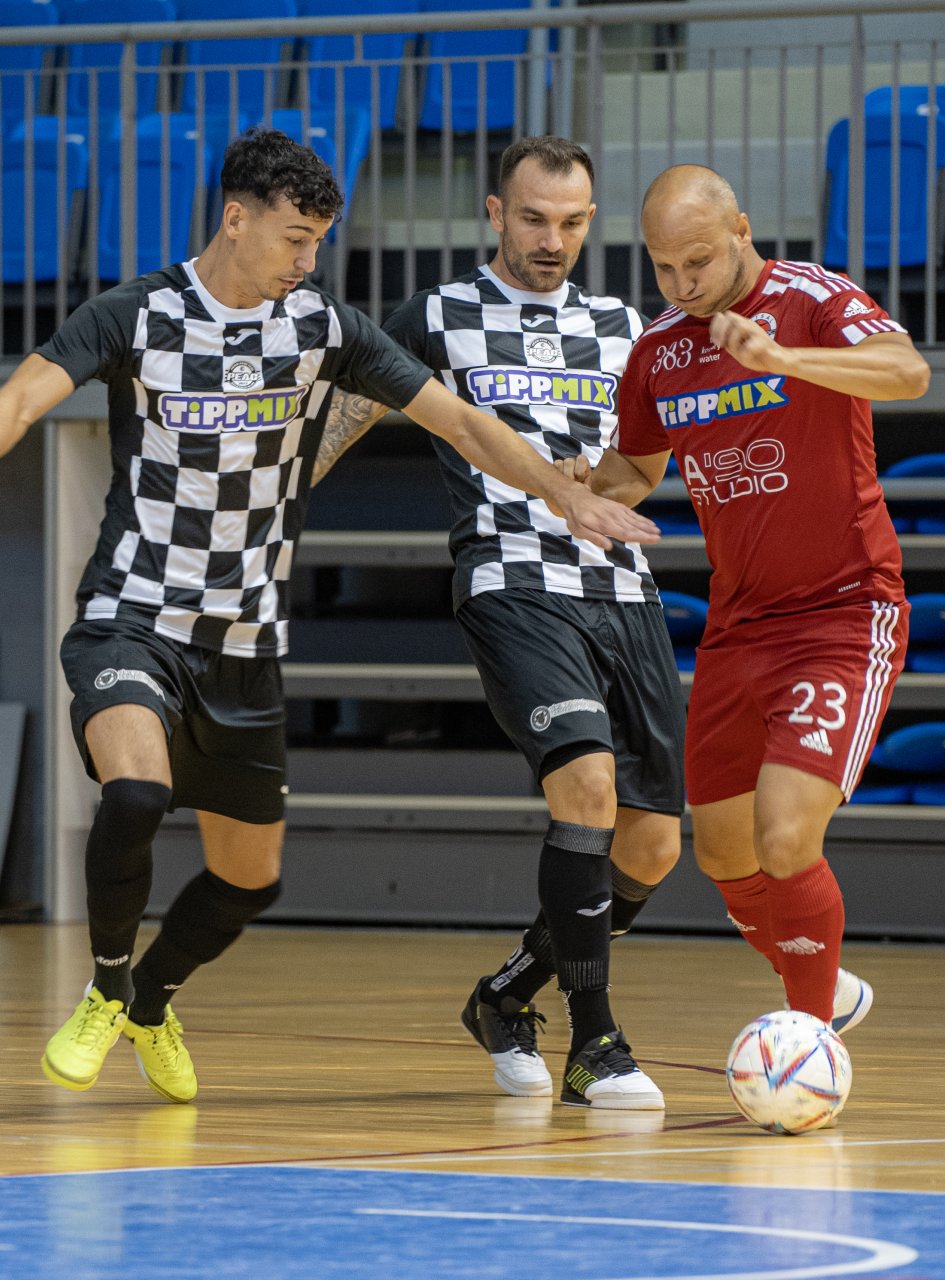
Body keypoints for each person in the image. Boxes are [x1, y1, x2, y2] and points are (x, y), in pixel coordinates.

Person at [0, 128, 657, 1106]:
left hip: (246, 646)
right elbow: (23, 393)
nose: (307, 263)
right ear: (237, 216)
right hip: (133, 614)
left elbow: (464, 422)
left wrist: (568, 498)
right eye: (295, 240)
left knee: (250, 878)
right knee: (135, 791)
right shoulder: (138, 314)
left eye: (318, 245)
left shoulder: (326, 330)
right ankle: (104, 986)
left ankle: (150, 997)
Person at [314, 137, 684, 1110]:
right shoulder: (437, 314)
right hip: (510, 580)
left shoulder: (624, 325)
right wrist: (262, 514)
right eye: (532, 218)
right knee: (588, 786)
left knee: (652, 846)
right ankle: (596, 1042)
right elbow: (342, 418)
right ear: (492, 212)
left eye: (570, 221)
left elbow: (653, 452)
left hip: (622, 586)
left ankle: (508, 993)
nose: (550, 239)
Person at [583, 164, 930, 1049]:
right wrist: (576, 492)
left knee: (784, 836)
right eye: (663, 268)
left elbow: (906, 371)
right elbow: (634, 465)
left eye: (697, 260)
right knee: (724, 854)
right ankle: (822, 983)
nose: (683, 284)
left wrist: (784, 360)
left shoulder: (812, 299)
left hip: (845, 614)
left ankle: (808, 1042)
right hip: (740, 625)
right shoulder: (660, 350)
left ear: (742, 228)